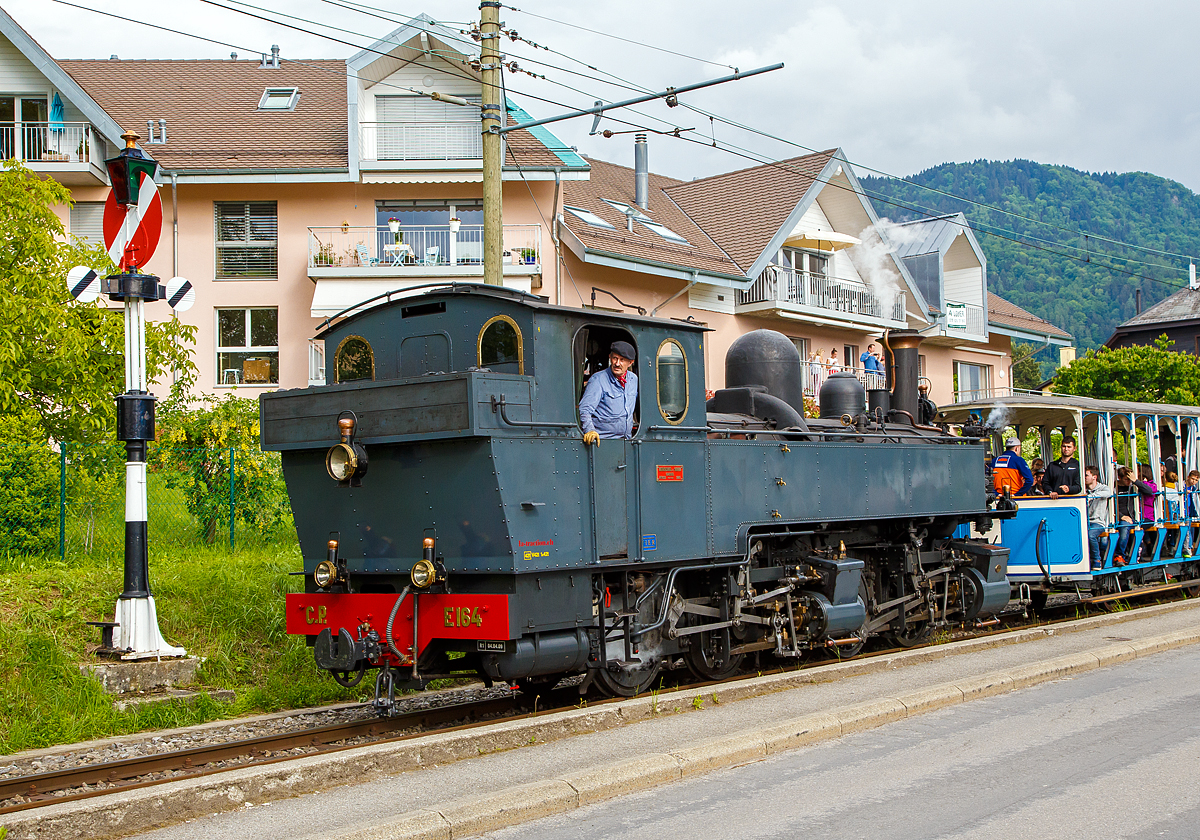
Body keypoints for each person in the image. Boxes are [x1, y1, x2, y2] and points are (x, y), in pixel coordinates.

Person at [579, 340, 638, 443]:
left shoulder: (633, 380)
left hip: (627, 441)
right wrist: (590, 430)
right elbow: (585, 409)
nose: (617, 363)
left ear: (630, 362)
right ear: (610, 357)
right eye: (615, 358)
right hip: (604, 442)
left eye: (622, 360)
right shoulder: (598, 380)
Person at [1084, 466, 1114, 569]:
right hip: (1084, 522)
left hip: (1098, 522)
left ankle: (1097, 560)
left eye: (1086, 475)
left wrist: (1092, 496)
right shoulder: (1083, 490)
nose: (1084, 477)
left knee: (1091, 535)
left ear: (1094, 477)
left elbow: (1108, 493)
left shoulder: (1103, 488)